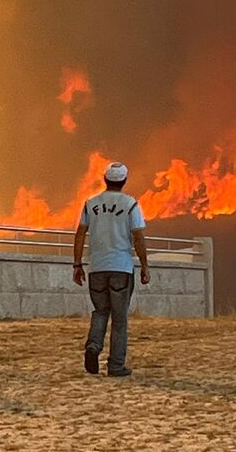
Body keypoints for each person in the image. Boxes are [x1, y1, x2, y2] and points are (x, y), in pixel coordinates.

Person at [72, 161, 149, 377]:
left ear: (105, 179)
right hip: (121, 268)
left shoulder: (91, 204)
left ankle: (93, 346)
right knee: (120, 318)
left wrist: (77, 264)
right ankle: (115, 365)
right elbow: (138, 237)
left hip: (96, 267)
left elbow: (80, 234)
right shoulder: (130, 204)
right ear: (124, 181)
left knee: (100, 311)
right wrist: (144, 265)